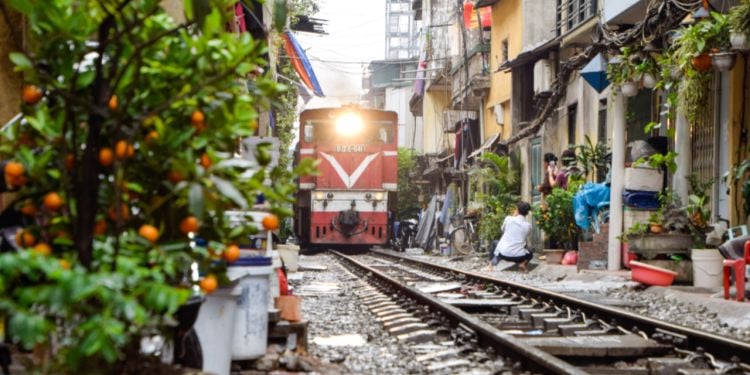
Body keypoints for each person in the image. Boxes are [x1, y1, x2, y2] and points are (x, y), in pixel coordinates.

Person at [489, 201, 533, 272]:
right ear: (527, 213)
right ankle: (522, 264)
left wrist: (513, 216)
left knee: (495, 243)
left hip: (503, 254)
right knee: (530, 252)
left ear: (517, 210)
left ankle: (490, 266)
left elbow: (502, 230)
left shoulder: (509, 219)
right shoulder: (528, 226)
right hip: (519, 257)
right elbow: (525, 237)